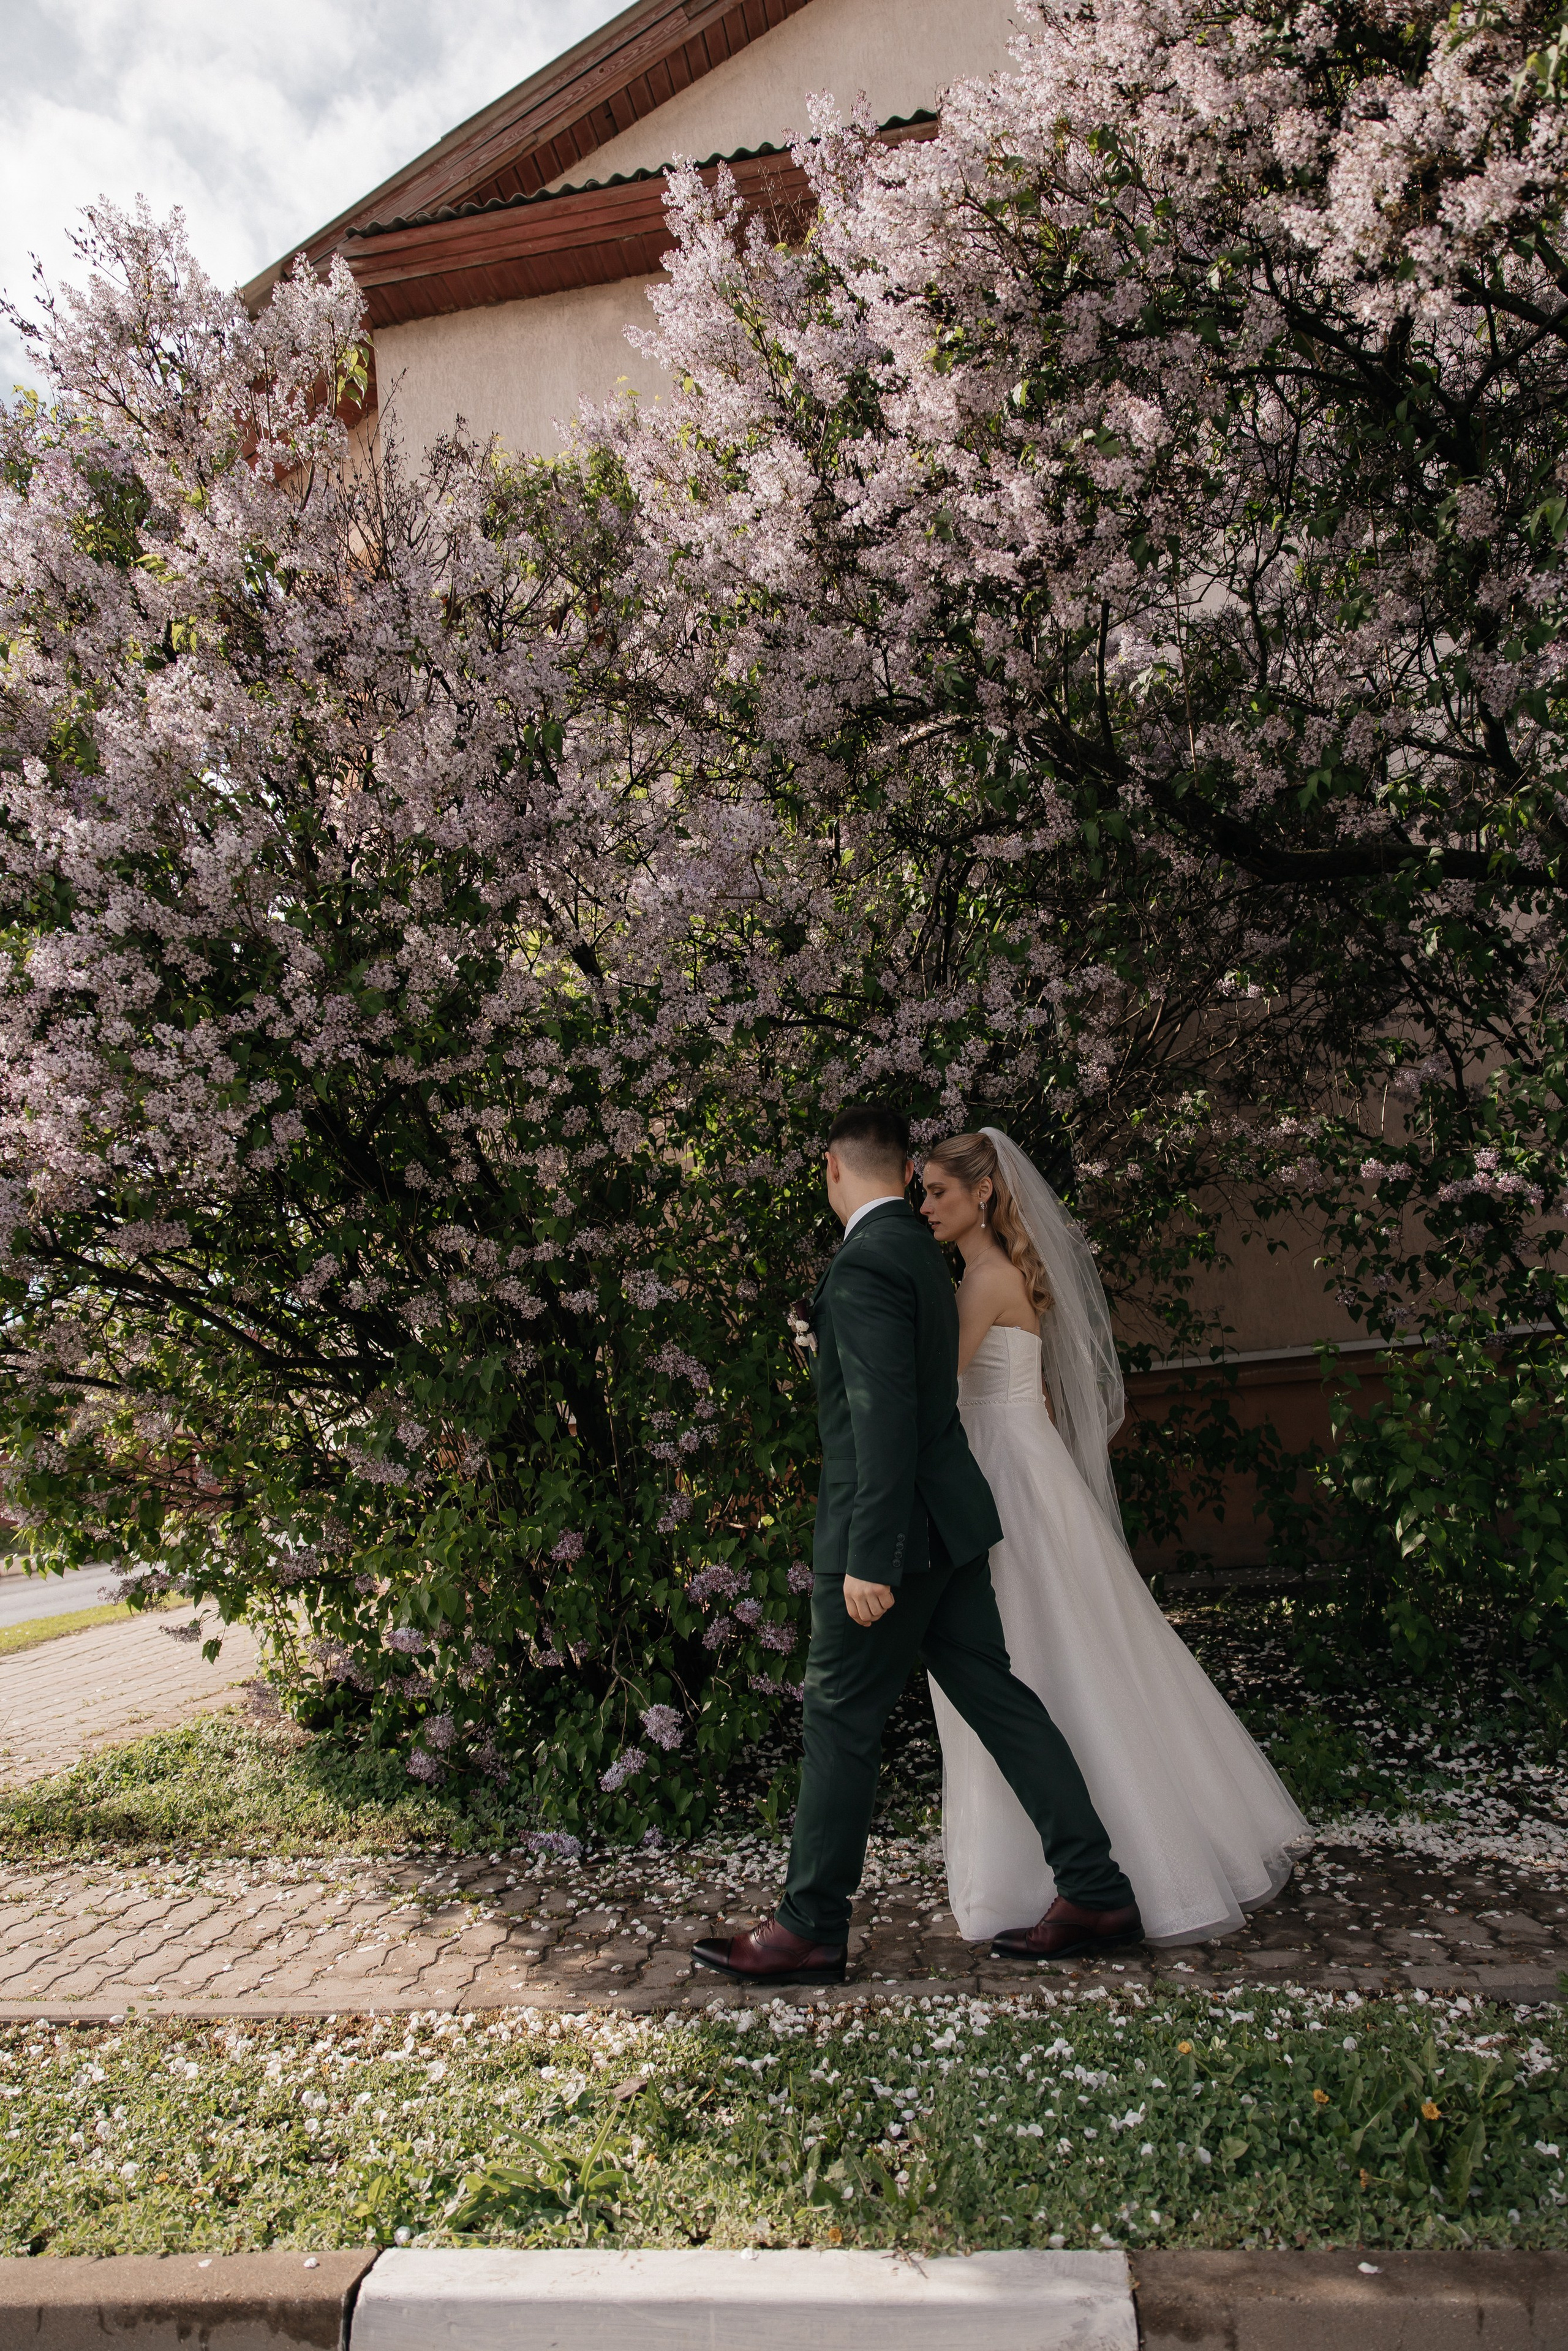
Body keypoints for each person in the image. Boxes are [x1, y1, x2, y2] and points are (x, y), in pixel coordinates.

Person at [693, 1103, 1141, 1990]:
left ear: (831, 1168)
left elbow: (887, 1419)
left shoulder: (866, 1265)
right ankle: (1095, 1886)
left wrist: (869, 1554)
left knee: (840, 1721)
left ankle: (810, 1927)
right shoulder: (922, 1260)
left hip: (892, 1540)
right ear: (903, 1172)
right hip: (951, 1529)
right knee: (1000, 1699)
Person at [918, 1128, 1309, 1952]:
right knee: (1067, 1650)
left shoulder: (984, 1280)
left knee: (1026, 1654)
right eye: (921, 1193)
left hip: (1005, 1475)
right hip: (1028, 1463)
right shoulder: (998, 1275)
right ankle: (1096, 1850)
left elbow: (934, 1385)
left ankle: (1066, 1869)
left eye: (938, 1193)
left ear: (983, 1193)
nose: (926, 1207)